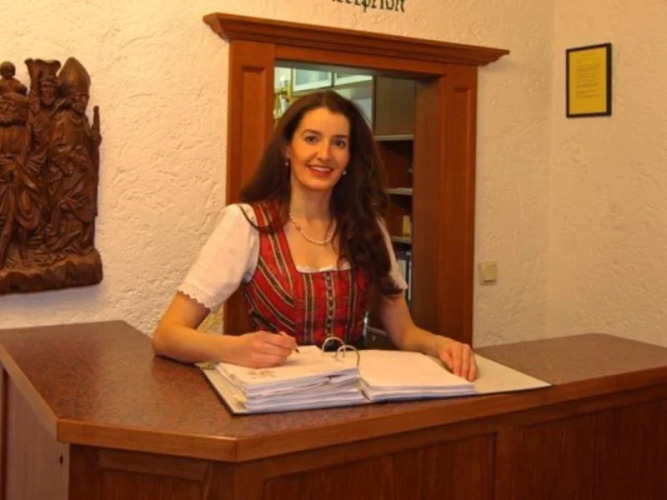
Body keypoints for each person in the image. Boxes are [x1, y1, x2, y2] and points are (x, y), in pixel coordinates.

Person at [153, 90, 477, 381]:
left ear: (349, 157)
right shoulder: (246, 223)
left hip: (355, 397)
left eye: (339, 143)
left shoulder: (368, 226)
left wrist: (442, 345)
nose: (324, 154)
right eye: (311, 139)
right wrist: (235, 348)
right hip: (278, 401)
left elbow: (404, 332)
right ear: (287, 148)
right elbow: (168, 335)